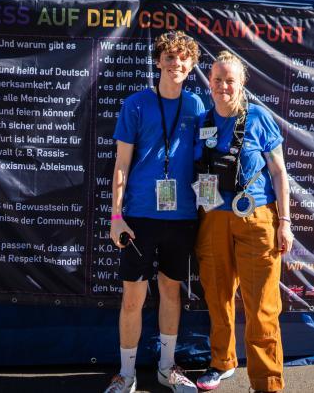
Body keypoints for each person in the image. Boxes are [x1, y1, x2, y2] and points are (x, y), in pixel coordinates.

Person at [105, 31, 204, 393]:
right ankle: (126, 374)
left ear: (191, 65)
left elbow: (205, 159)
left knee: (171, 293)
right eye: (169, 56)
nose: (176, 63)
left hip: (182, 218)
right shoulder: (135, 104)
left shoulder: (196, 106)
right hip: (140, 217)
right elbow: (121, 164)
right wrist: (116, 216)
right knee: (133, 297)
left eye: (182, 58)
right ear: (159, 61)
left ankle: (166, 368)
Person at [194, 50, 294, 393]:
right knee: (217, 295)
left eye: (230, 80)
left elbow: (279, 173)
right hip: (212, 218)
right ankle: (221, 362)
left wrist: (285, 222)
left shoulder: (259, 118)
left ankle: (266, 382)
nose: (223, 86)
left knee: (262, 304)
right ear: (209, 82)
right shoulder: (203, 121)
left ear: (242, 83)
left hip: (257, 217)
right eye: (217, 79)